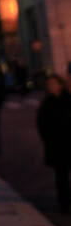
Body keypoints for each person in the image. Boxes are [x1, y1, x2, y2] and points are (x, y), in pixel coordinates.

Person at [36, 74, 71, 212]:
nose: (52, 87)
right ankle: (64, 203)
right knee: (61, 175)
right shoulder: (46, 104)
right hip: (57, 145)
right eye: (49, 84)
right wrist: (49, 140)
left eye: (54, 83)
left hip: (68, 142)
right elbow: (42, 125)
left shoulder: (68, 100)